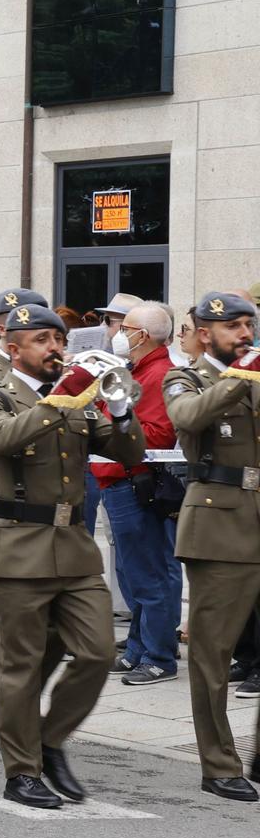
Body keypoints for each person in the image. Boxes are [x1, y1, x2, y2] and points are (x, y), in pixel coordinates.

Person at [0, 301, 144, 809]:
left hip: (74, 547)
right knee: (19, 665)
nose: (56, 349)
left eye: (59, 340)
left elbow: (129, 452)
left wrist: (121, 406)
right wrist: (61, 398)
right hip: (17, 543)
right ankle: (21, 771)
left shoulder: (79, 399)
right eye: (43, 341)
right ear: (14, 348)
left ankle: (50, 739)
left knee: (98, 652)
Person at [164, 292, 260, 800]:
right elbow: (188, 417)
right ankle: (219, 763)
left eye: (249, 326)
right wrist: (242, 375)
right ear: (205, 333)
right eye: (234, 327)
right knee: (212, 655)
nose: (245, 335)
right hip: (219, 527)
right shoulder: (186, 377)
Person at [96, 301, 184, 685]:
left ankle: (159, 656)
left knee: (148, 575)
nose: (117, 332)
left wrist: (110, 422)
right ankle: (138, 649)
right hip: (121, 481)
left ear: (141, 335)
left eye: (123, 327)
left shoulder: (160, 374)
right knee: (134, 576)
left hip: (134, 483)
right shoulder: (138, 371)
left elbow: (159, 435)